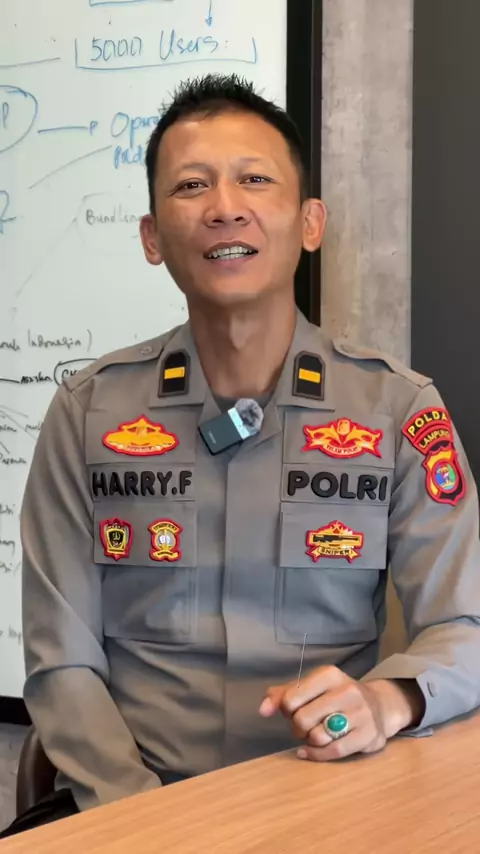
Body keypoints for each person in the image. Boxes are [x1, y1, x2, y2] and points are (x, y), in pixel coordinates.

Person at [3, 72, 480, 837]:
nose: (225, 206)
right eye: (191, 185)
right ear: (152, 237)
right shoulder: (88, 412)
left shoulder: (397, 410)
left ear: (310, 222)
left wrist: (388, 701)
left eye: (254, 179)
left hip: (332, 799)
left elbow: (465, 624)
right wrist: (143, 819)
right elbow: (62, 659)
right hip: (134, 802)